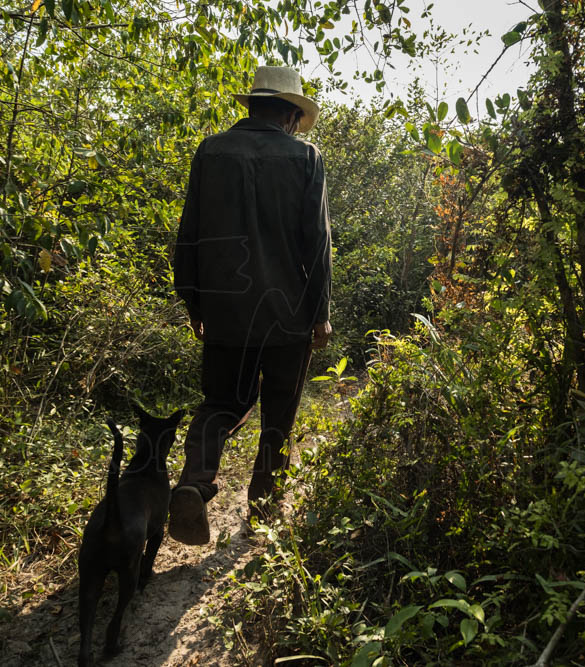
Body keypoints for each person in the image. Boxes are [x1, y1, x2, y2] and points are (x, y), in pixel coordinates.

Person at [169, 66, 332, 545]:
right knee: (278, 413)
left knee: (221, 403)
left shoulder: (211, 151)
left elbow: (190, 233)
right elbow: (316, 241)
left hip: (224, 310)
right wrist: (320, 312)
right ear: (288, 114)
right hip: (289, 314)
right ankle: (263, 510)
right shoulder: (305, 157)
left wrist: (193, 301)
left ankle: (194, 484)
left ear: (253, 106)